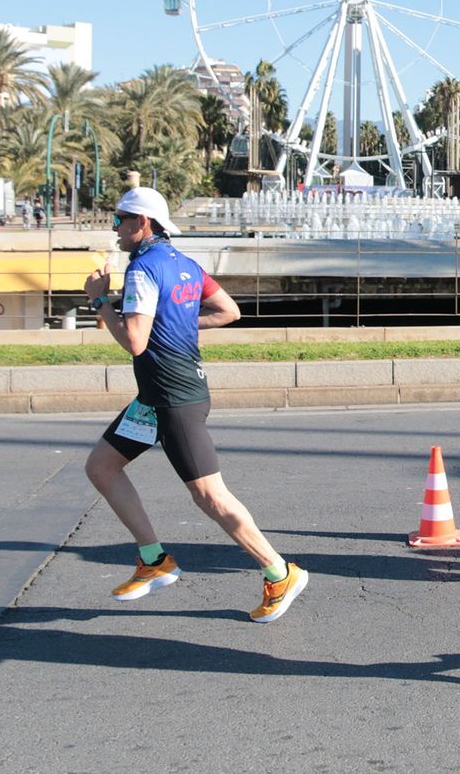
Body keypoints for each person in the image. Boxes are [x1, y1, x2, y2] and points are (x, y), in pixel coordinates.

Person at [82, 186, 308, 622]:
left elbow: (134, 340)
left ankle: (280, 572)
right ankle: (154, 559)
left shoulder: (142, 270)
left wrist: (98, 300)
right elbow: (228, 310)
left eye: (120, 219)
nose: (115, 228)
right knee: (101, 467)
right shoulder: (185, 265)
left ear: (142, 223)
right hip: (156, 397)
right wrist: (179, 322)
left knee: (210, 495)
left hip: (173, 396)